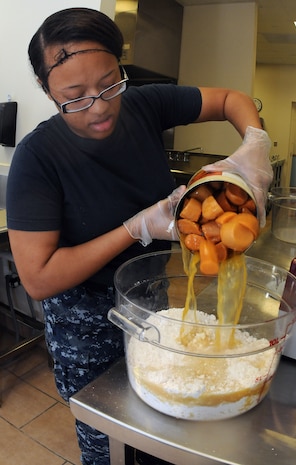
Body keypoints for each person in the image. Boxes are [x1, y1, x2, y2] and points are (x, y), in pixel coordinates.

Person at [6, 7, 273, 465]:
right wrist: (136, 228)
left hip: (152, 307)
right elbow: (38, 278)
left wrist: (255, 145)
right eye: (75, 97)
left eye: (110, 83)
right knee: (108, 446)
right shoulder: (38, 159)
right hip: (85, 328)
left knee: (160, 436)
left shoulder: (145, 105)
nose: (101, 106)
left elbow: (231, 98)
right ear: (46, 90)